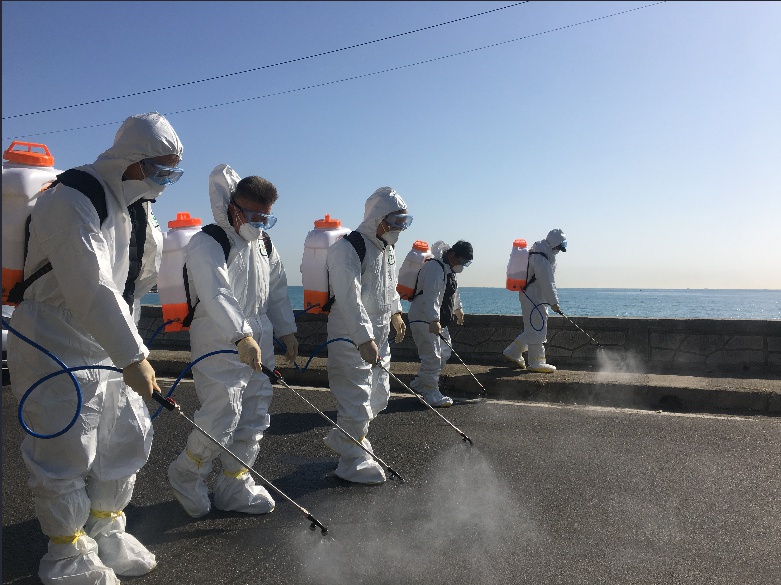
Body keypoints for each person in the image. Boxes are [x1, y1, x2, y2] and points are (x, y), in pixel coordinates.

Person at [7, 112, 183, 585]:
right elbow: (90, 284)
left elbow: (133, 284)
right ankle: (65, 552)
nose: (165, 180)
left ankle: (107, 529)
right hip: (55, 334)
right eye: (160, 169)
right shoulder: (71, 197)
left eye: (173, 172)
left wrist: (129, 347)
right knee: (65, 447)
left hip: (110, 337)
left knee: (123, 436)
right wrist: (133, 356)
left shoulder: (138, 208)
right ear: (132, 160)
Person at [168, 164, 298, 518]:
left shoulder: (264, 244)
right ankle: (187, 473)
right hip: (217, 335)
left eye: (266, 218)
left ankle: (235, 484)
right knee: (223, 412)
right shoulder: (208, 241)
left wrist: (287, 330)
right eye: (254, 215)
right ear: (233, 207)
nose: (259, 224)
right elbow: (216, 293)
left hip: (260, 334)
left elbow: (277, 290)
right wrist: (241, 335)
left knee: (254, 413)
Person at [323, 186, 410, 484]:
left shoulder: (387, 249)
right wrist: (363, 338)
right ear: (379, 218)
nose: (400, 228)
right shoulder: (348, 248)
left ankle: (350, 439)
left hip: (379, 333)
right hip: (350, 334)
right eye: (396, 221)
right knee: (356, 397)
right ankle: (352, 461)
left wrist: (396, 312)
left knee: (378, 394)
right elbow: (349, 298)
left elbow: (390, 286)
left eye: (404, 222)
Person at [408, 240, 473, 407]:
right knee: (433, 356)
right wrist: (434, 320)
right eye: (462, 260)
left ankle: (421, 382)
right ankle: (431, 393)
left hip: (436, 321)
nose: (462, 264)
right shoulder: (434, 267)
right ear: (452, 254)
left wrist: (458, 309)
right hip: (424, 318)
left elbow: (453, 292)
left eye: (466, 262)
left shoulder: (448, 269)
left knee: (444, 351)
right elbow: (431, 296)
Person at [502, 229, 567, 373]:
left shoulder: (537, 252)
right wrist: (554, 303)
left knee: (532, 327)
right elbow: (547, 282)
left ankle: (513, 351)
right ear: (554, 244)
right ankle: (537, 362)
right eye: (559, 247)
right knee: (538, 328)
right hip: (534, 297)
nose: (559, 250)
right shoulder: (541, 258)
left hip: (529, 295)